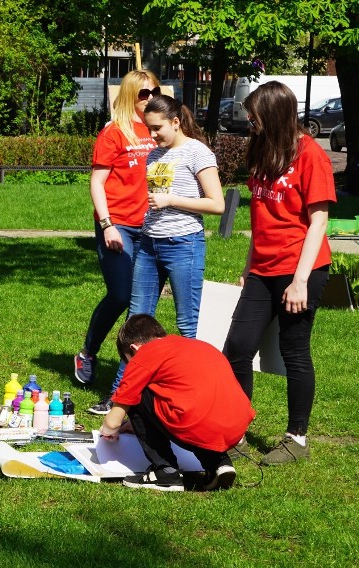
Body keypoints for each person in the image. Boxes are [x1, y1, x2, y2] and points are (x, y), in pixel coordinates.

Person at [88, 95, 225, 417]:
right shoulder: (154, 154)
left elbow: (216, 204)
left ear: (176, 122)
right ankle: (122, 397)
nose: (153, 136)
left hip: (183, 244)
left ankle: (192, 397)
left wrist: (171, 199)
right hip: (149, 245)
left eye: (158, 128)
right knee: (136, 324)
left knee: (186, 325)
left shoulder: (197, 152)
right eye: (149, 129)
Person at [222, 82, 335, 465]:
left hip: (301, 268)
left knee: (294, 351)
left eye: (255, 116)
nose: (250, 122)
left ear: (275, 114)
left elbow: (318, 221)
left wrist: (300, 280)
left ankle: (296, 438)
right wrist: (248, 266)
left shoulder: (311, 155)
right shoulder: (262, 148)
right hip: (262, 268)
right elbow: (260, 217)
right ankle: (234, 428)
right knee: (236, 348)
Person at [76, 70, 160, 416]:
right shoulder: (114, 132)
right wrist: (107, 224)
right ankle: (88, 352)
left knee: (141, 308)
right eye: (143, 93)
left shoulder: (160, 131)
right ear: (129, 96)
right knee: (121, 294)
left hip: (153, 226)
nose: (150, 97)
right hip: (119, 225)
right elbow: (97, 183)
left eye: (154, 90)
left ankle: (132, 381)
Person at [100, 315, 255, 492]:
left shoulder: (146, 353)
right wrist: (137, 424)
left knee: (137, 392)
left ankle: (166, 472)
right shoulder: (195, 345)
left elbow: (113, 421)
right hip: (235, 426)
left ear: (134, 349)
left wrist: (108, 430)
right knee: (201, 413)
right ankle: (219, 463)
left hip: (195, 422)